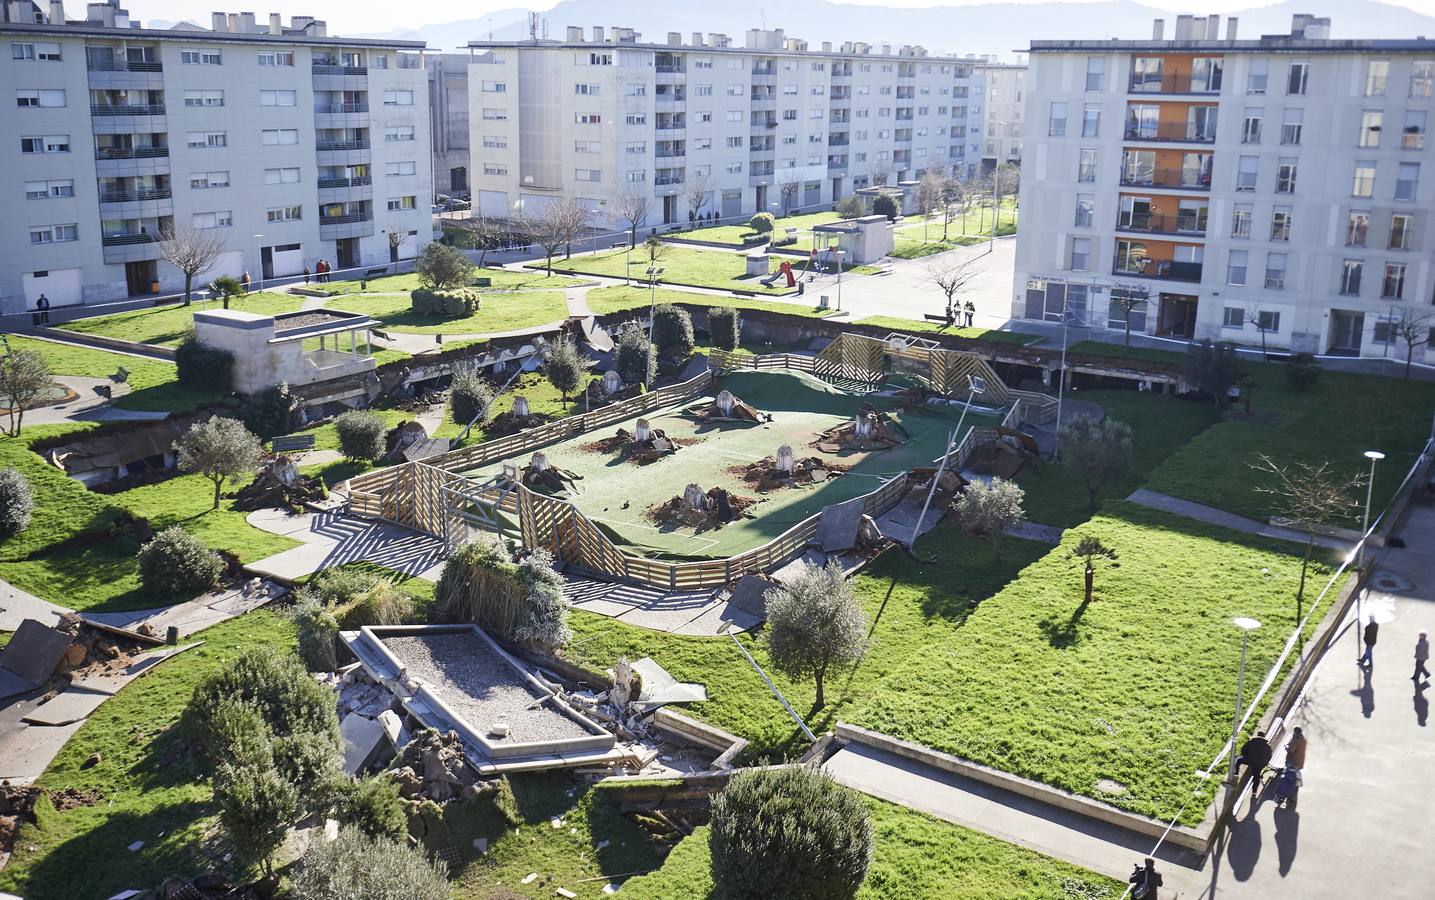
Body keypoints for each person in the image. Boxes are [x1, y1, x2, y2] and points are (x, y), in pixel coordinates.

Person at [1238, 730, 1273, 797]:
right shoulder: (1267, 745)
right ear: (1264, 736)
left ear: (1257, 735)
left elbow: (1243, 750)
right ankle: (1254, 792)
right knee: (1256, 777)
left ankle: (1236, 772)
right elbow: (1269, 756)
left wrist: (1246, 756)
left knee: (1238, 761)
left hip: (1250, 761)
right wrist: (1264, 764)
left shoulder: (1251, 741)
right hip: (1260, 764)